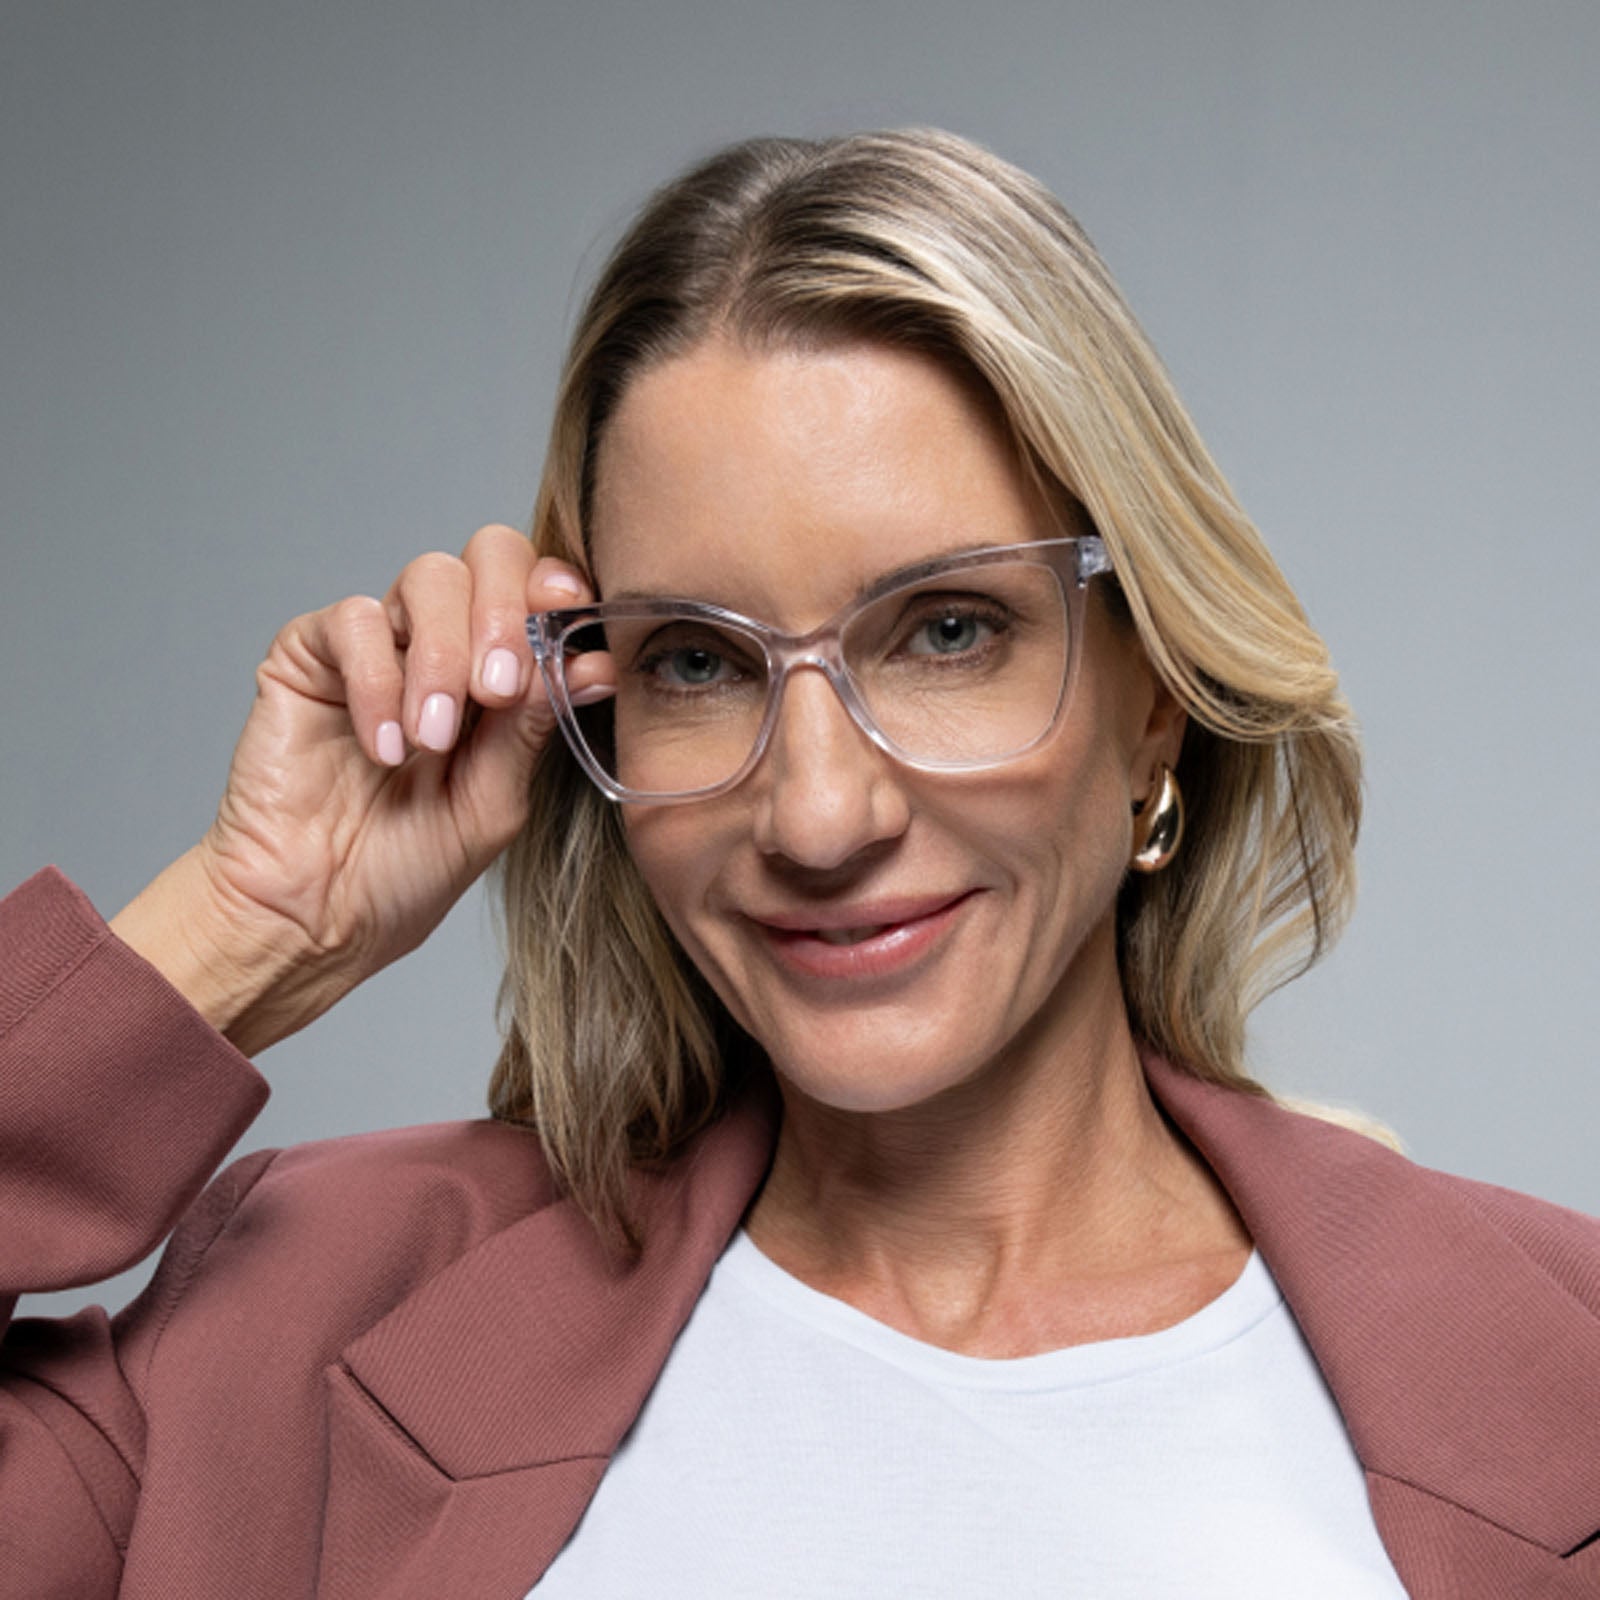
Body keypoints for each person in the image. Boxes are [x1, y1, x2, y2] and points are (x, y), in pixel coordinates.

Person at [2, 129, 1596, 1600]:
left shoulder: (1559, 1365)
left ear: (1156, 701)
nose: (821, 820)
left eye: (951, 632)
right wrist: (240, 927)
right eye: (697, 663)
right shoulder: (311, 1318)